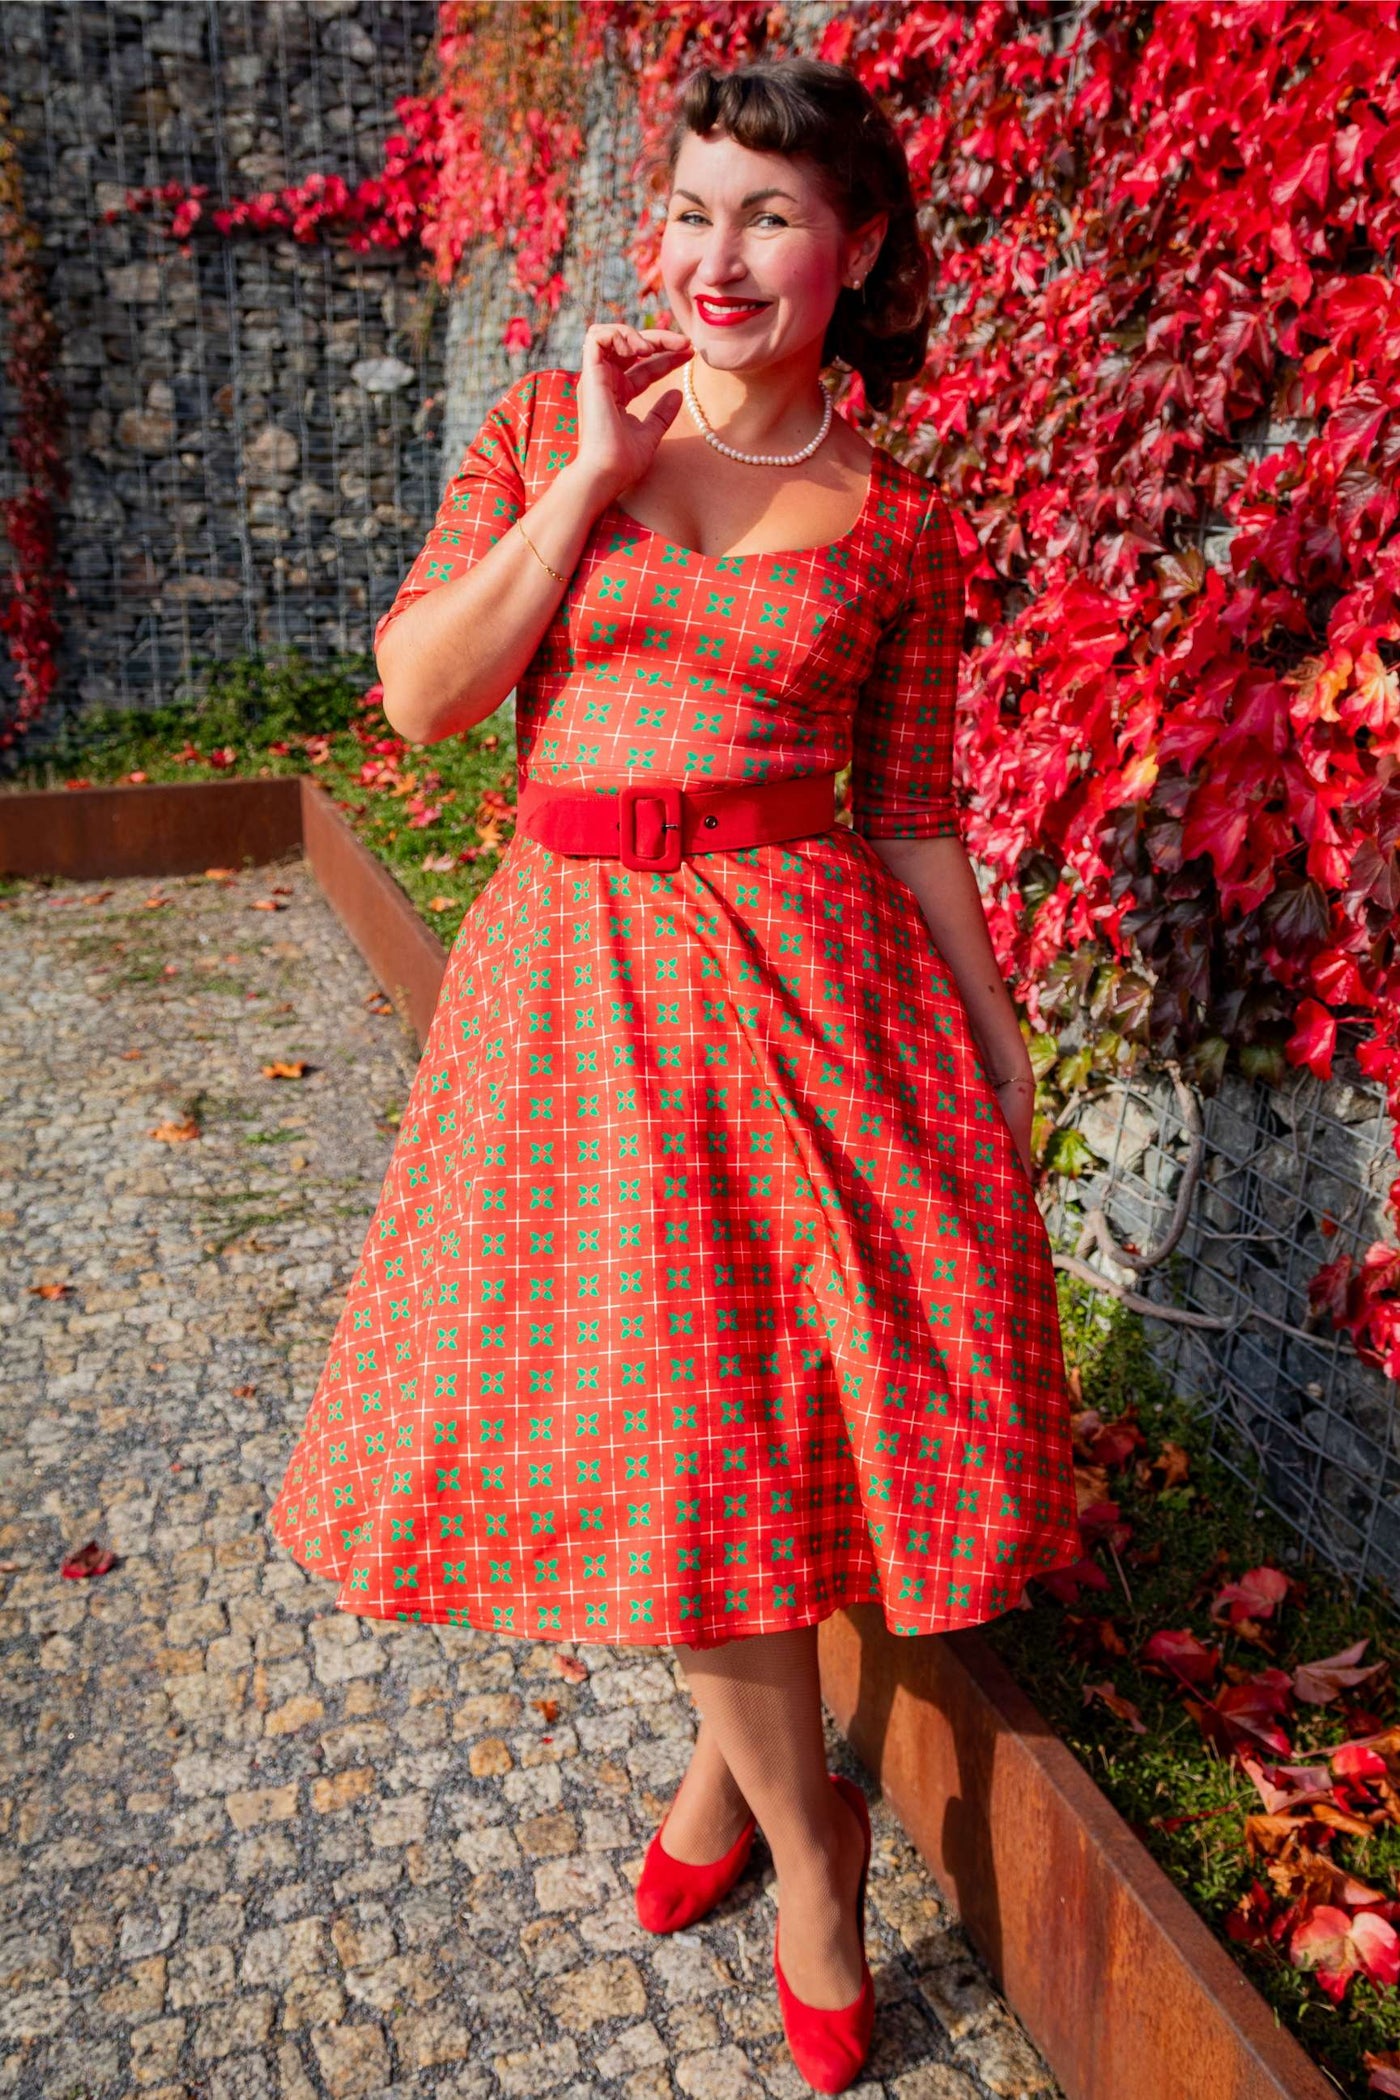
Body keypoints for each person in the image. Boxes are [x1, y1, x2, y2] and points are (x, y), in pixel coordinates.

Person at [269, 53, 1080, 2095]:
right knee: (652, 1414)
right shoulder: (553, 421)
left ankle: (724, 1795)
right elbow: (426, 697)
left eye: (770, 218)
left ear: (856, 247)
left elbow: (905, 812)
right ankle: (814, 1835)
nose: (718, 257)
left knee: (789, 1420)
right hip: (579, 991)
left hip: (813, 992)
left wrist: (993, 1037)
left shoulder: (903, 521)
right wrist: (584, 489)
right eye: (692, 212)